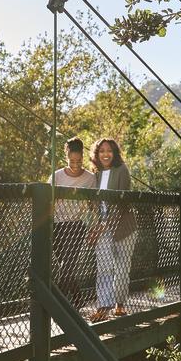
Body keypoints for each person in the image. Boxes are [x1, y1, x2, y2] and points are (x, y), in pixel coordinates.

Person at [87, 137, 137, 322]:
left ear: (115, 153)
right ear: (96, 154)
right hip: (102, 229)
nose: (105, 154)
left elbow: (123, 203)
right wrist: (94, 226)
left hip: (124, 227)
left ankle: (120, 304)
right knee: (104, 268)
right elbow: (93, 205)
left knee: (122, 268)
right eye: (101, 151)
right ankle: (103, 307)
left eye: (109, 151)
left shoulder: (122, 170)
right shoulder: (95, 174)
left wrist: (103, 225)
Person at [52, 137, 96, 303]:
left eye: (79, 161)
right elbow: (48, 202)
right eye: (72, 161)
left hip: (76, 226)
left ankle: (57, 303)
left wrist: (94, 227)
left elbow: (94, 206)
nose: (76, 164)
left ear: (83, 157)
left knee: (68, 265)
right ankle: (78, 298)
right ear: (66, 156)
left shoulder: (90, 178)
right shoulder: (56, 176)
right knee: (66, 266)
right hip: (56, 225)